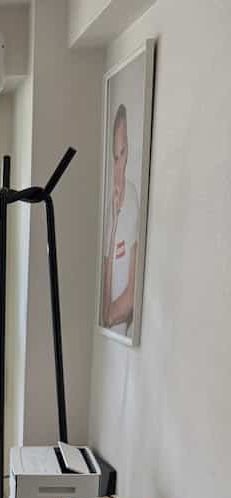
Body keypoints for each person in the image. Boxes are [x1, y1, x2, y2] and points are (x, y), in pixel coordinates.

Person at [102, 104, 139, 335]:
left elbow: (130, 297)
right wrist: (114, 226)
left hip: (122, 334)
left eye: (123, 153)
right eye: (115, 157)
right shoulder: (109, 209)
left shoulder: (133, 198)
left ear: (128, 152)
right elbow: (104, 310)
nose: (118, 166)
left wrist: (109, 314)